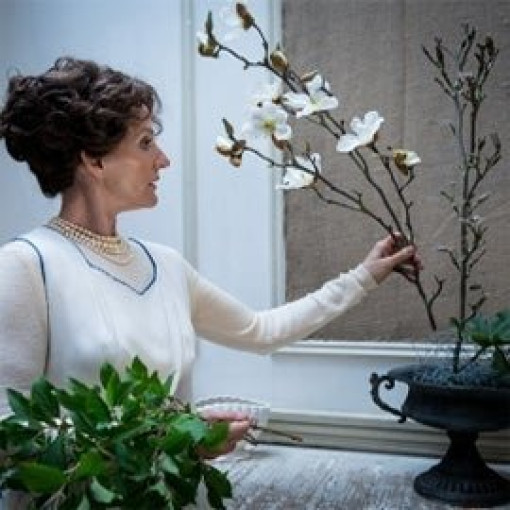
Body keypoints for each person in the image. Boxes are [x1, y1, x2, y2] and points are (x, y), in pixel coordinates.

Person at [0, 57, 419, 457]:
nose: (163, 159)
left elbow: (262, 331)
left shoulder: (165, 266)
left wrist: (365, 276)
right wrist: (171, 442)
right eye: (145, 142)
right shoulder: (26, 266)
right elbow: (10, 436)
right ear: (94, 160)